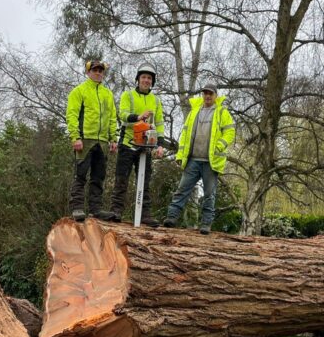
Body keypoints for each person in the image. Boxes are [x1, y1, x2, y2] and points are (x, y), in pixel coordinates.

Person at [163, 84, 235, 234]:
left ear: (215, 95)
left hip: (210, 161)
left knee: (209, 194)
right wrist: (180, 155)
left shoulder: (222, 112)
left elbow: (230, 132)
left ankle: (206, 224)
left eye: (210, 94)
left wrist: (219, 146)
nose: (207, 96)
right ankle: (171, 218)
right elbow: (185, 135)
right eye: (205, 93)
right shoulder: (194, 111)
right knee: (182, 190)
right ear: (202, 95)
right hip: (193, 160)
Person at [110, 62, 166, 226]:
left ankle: (145, 214)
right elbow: (123, 115)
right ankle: (116, 211)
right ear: (138, 79)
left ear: (152, 81)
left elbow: (160, 123)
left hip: (146, 145)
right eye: (144, 77)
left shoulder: (155, 100)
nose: (146, 80)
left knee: (145, 180)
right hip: (128, 143)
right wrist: (139, 117)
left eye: (149, 78)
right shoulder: (128, 95)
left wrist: (160, 144)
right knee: (121, 179)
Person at [66, 60, 118, 221]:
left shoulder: (108, 94)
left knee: (99, 177)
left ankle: (96, 209)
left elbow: (112, 117)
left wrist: (113, 138)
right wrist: (75, 136)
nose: (98, 73)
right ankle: (77, 208)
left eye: (100, 71)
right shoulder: (79, 91)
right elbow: (72, 114)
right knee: (80, 175)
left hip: (102, 142)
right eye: (94, 70)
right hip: (85, 140)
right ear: (88, 72)